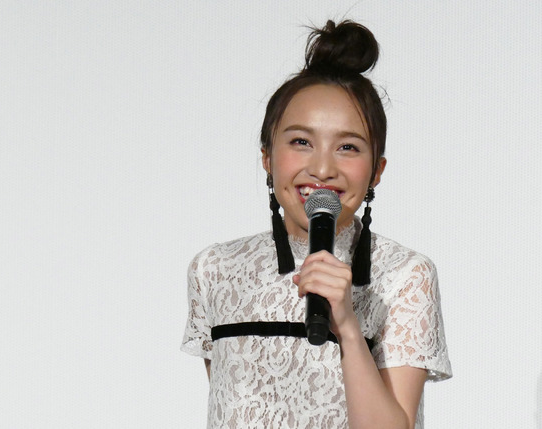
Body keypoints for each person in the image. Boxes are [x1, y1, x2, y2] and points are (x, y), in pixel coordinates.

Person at [181, 20, 452, 429]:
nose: (323, 168)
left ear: (377, 171)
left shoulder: (405, 276)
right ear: (267, 157)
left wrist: (347, 326)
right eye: (301, 142)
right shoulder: (215, 269)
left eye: (348, 147)